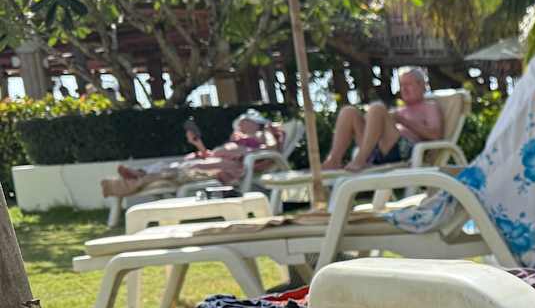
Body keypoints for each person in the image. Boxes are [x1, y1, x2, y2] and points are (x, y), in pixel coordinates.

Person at [100, 109, 284, 202]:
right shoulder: (235, 140)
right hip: (210, 163)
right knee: (173, 166)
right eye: (241, 123)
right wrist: (197, 144)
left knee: (177, 169)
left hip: (221, 168)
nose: (241, 126)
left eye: (245, 122)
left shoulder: (258, 138)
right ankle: (136, 176)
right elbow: (210, 155)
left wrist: (268, 131)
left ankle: (130, 179)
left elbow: (271, 150)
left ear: (255, 124)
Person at [322, 67, 444, 172]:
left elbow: (435, 135)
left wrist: (402, 120)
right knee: (348, 111)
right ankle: (334, 160)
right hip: (378, 149)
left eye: (408, 85)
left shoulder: (429, 107)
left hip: (405, 153)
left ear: (421, 85)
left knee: (377, 108)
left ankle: (360, 160)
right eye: (402, 85)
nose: (404, 89)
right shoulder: (399, 110)